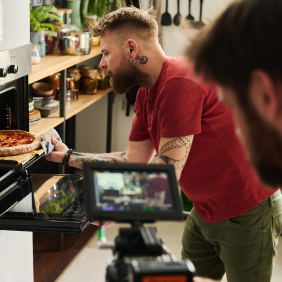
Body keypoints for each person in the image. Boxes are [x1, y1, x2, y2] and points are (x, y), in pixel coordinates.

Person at [45, 6, 281, 282]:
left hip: (247, 211)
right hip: (204, 208)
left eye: (106, 53)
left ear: (132, 49)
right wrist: (68, 156)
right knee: (183, 276)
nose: (101, 64)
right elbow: (134, 161)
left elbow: (164, 178)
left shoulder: (179, 83)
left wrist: (107, 204)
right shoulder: (147, 95)